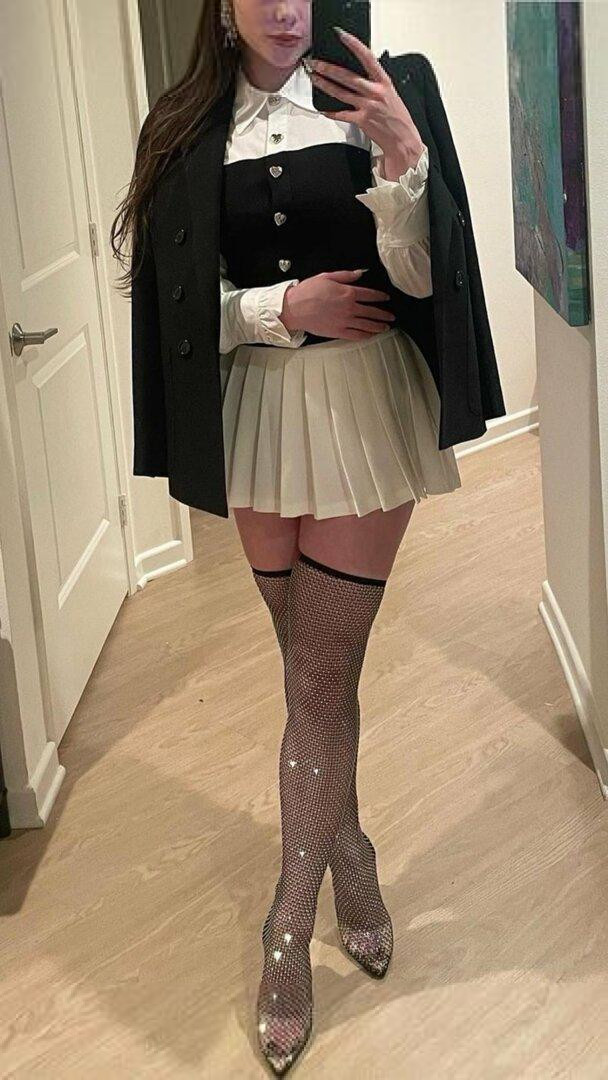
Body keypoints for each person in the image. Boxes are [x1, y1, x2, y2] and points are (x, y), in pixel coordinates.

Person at [112, 1, 501, 1073]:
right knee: (311, 677)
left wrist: (404, 157)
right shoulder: (183, 126)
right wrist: (282, 308)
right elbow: (172, 306)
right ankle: (350, 851)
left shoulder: (385, 92)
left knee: (319, 676)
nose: (285, 9)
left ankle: (286, 927)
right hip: (255, 419)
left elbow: (422, 283)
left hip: (365, 411)